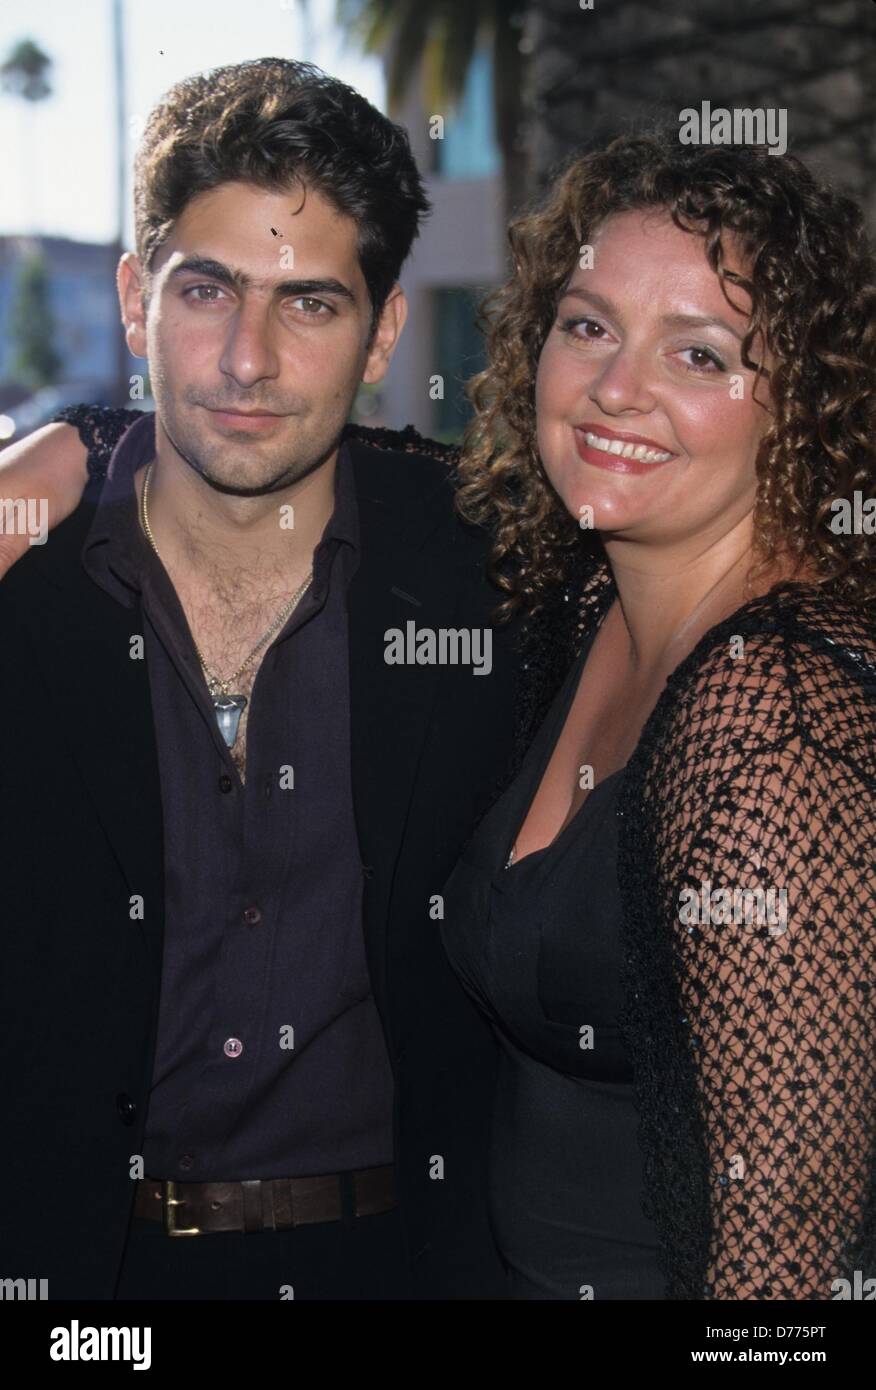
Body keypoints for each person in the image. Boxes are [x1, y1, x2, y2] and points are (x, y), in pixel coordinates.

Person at [0, 56, 522, 1301]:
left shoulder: (491, 581)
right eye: (206, 289)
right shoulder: (26, 585)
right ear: (135, 300)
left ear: (387, 329)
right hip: (77, 1276)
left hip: (400, 1267)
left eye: (310, 304)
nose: (246, 359)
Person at [439, 130, 876, 1299]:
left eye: (699, 354)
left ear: (803, 404)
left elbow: (786, 1268)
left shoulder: (771, 723)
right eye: (587, 325)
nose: (615, 387)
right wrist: (114, 447)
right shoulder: (591, 599)